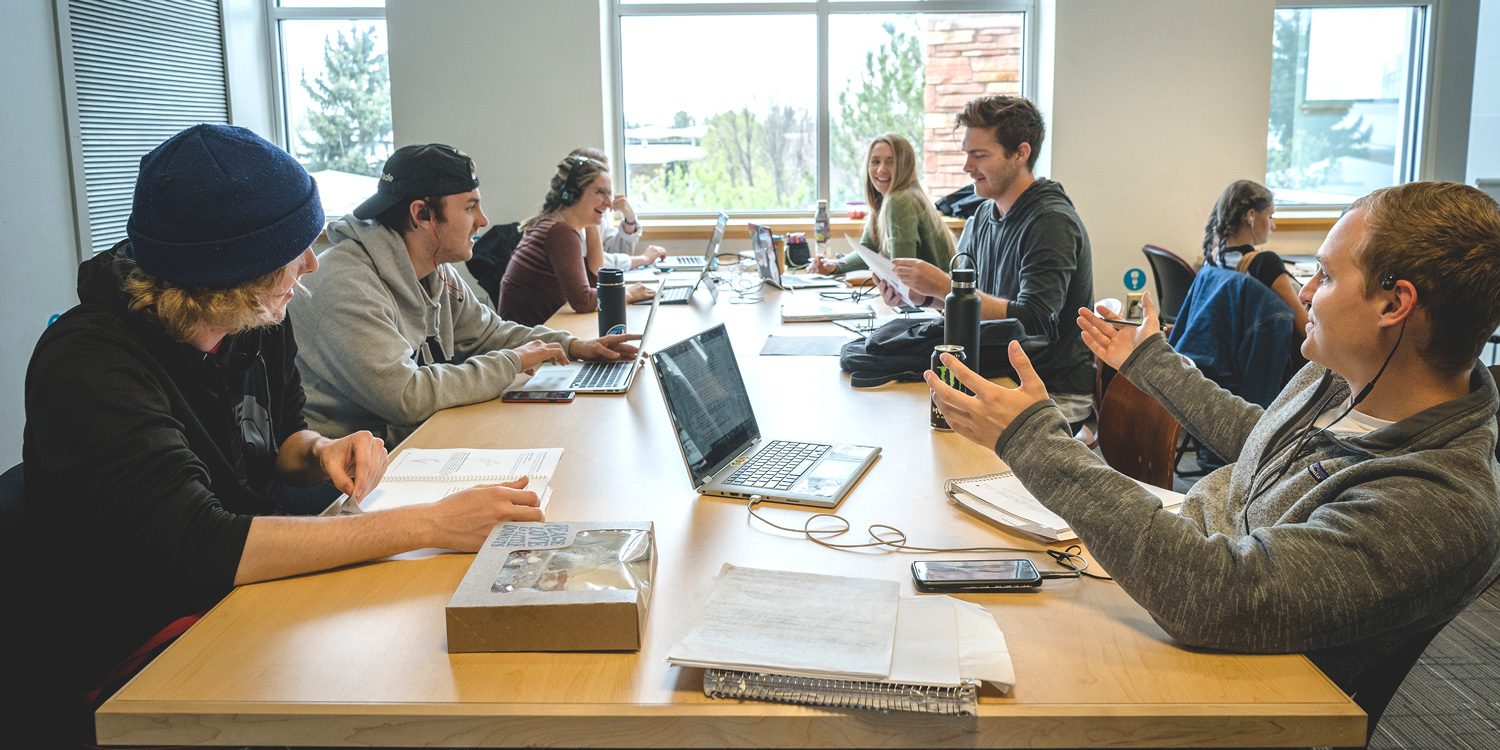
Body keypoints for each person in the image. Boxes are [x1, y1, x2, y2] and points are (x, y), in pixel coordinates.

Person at [16, 125, 545, 742]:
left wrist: (321, 451)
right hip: (145, 653)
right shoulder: (90, 367)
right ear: (229, 269)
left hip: (241, 602)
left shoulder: (252, 317)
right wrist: (429, 524)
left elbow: (278, 440)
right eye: (294, 250)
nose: (312, 263)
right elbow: (203, 544)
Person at [928, 181, 1500, 702]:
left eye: (1324, 275)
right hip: (1176, 587)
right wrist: (1153, 363)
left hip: (1236, 689)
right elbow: (1267, 444)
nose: (1304, 288)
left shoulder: (1436, 503)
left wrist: (1031, 440)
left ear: (1394, 304)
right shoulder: (1343, 379)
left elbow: (1219, 596)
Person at [291, 143, 641, 444]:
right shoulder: (348, 282)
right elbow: (405, 395)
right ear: (422, 213)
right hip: (340, 482)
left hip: (407, 445)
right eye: (471, 207)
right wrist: (513, 361)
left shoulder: (435, 270)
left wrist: (572, 346)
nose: (484, 220)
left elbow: (490, 333)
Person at [878, 95, 1095, 433]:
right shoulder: (982, 216)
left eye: (979, 155)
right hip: (994, 376)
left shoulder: (1051, 222)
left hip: (1049, 392)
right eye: (966, 154)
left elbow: (1036, 322)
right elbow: (970, 307)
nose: (967, 167)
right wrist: (921, 297)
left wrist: (944, 287)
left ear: (1021, 153)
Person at [500, 155, 654, 326]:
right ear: (572, 193)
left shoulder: (553, 225)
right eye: (600, 192)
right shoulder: (560, 233)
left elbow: (595, 278)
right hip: (527, 344)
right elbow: (583, 301)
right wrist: (628, 294)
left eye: (609, 194)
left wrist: (591, 220)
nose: (609, 203)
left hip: (538, 335)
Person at [808, 133, 954, 275]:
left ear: (905, 166)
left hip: (930, 299)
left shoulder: (900, 200)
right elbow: (867, 251)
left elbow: (902, 273)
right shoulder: (887, 200)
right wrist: (833, 266)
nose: (881, 170)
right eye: (875, 161)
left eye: (891, 162)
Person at [1202, 179, 1308, 338]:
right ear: (1251, 215)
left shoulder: (1213, 258)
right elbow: (1303, 326)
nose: (1273, 226)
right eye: (1270, 216)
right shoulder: (1264, 263)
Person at [569, 147, 667, 271]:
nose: (609, 202)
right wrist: (642, 259)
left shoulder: (595, 213)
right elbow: (592, 262)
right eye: (600, 191)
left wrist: (629, 220)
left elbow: (616, 251)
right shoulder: (566, 229)